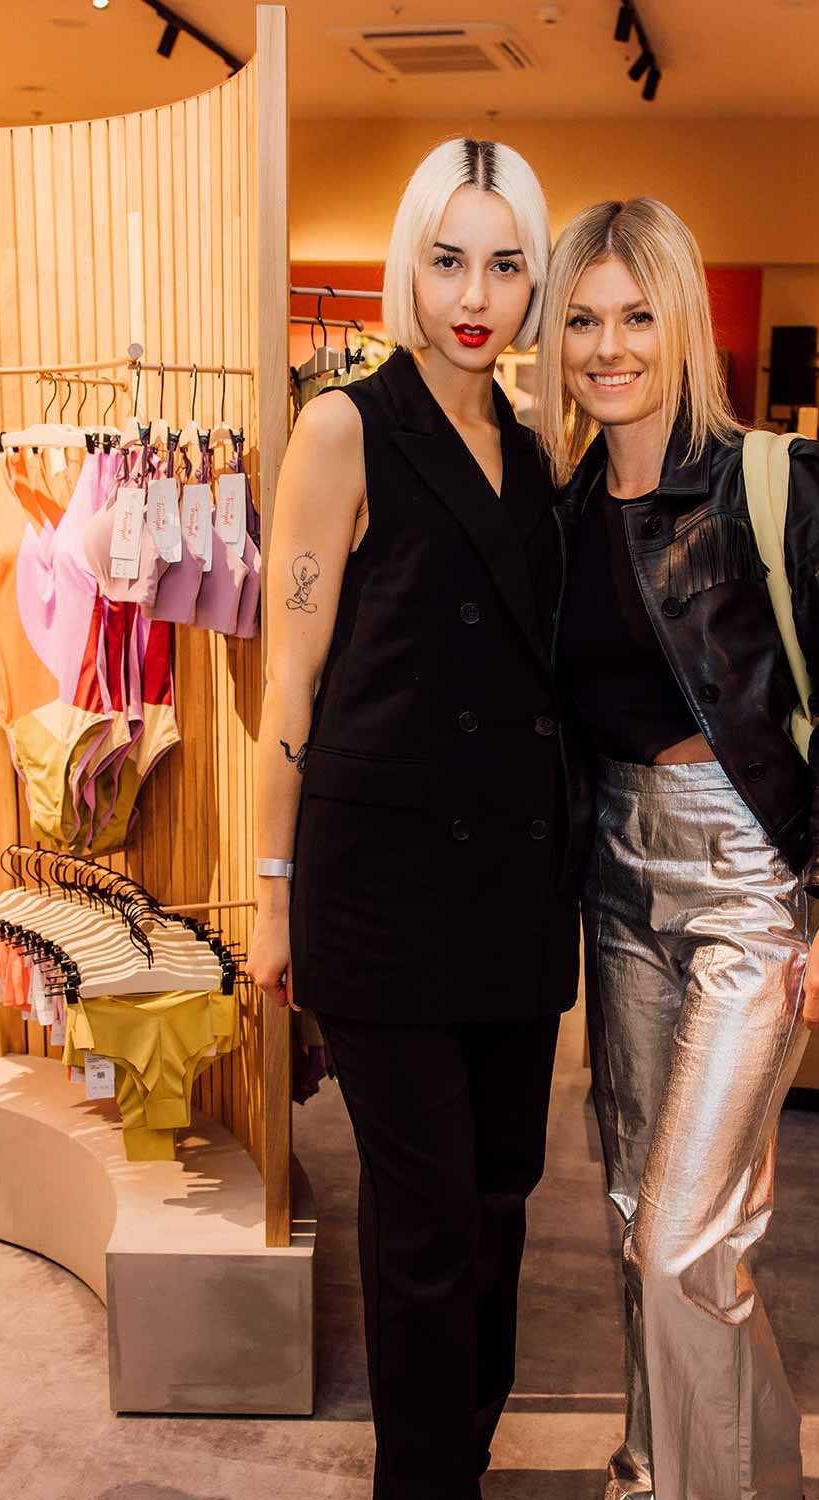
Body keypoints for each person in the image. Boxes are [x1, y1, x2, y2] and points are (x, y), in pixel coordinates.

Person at [536, 198, 819, 1500]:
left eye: (637, 315)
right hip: (616, 877)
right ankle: (662, 1467)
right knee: (636, 1219)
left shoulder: (772, 480)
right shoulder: (567, 509)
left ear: (686, 322)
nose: (609, 347)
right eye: (583, 319)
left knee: (685, 1240)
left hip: (750, 878)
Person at [245, 138, 580, 1499]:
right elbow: (291, 677)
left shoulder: (536, 452)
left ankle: (464, 1454)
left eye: (504, 264)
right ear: (407, 267)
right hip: (378, 893)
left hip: (515, 894)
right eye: (448, 260)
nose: (474, 295)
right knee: (428, 1220)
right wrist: (271, 891)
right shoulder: (345, 427)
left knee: (500, 1205)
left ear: (534, 278)